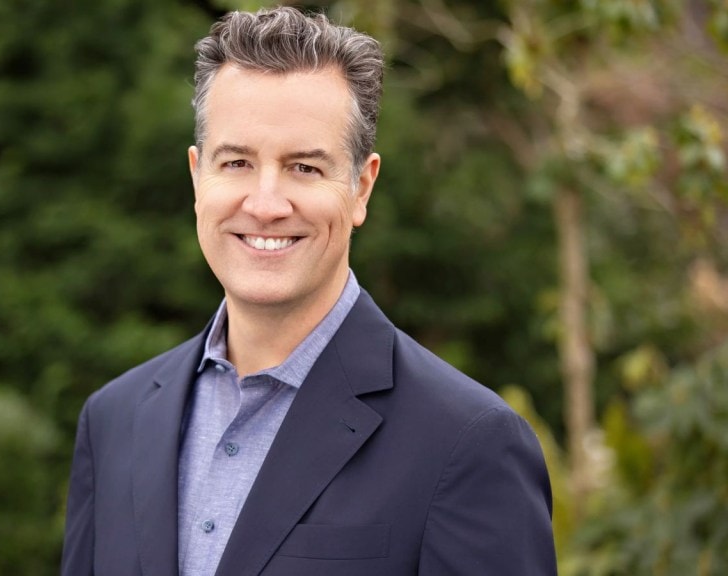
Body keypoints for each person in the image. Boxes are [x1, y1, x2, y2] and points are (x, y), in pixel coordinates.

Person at [61, 7, 557, 576]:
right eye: (237, 162)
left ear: (361, 187)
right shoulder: (113, 420)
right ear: (197, 177)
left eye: (304, 168)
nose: (266, 204)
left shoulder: (468, 442)